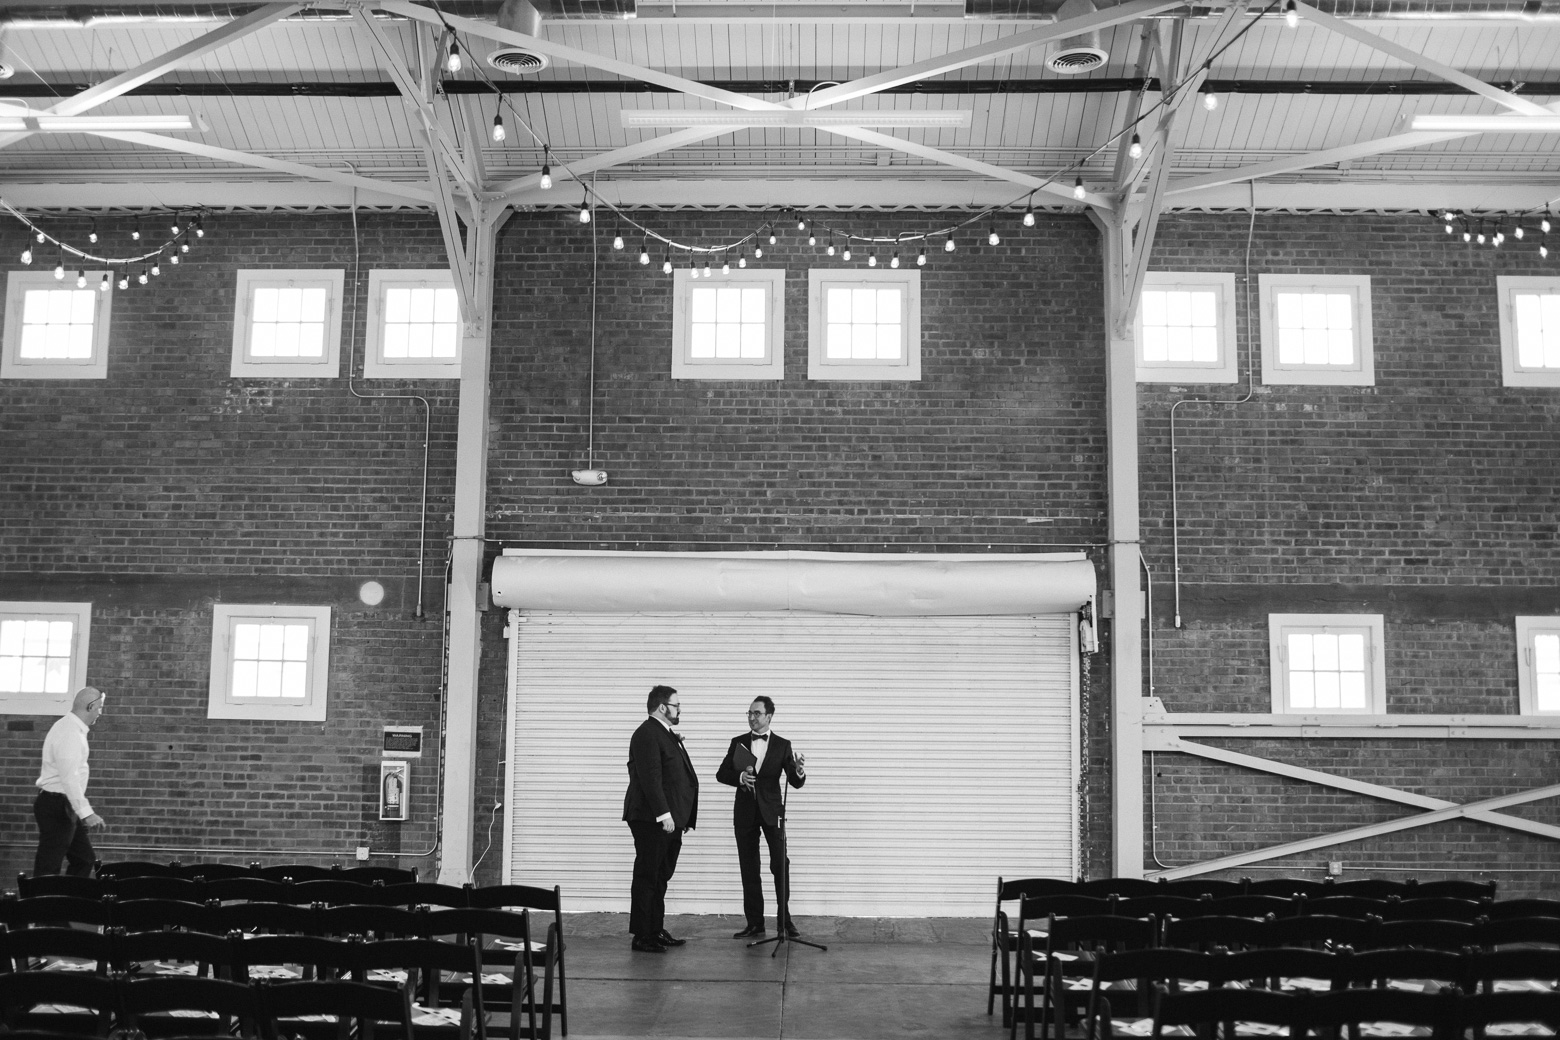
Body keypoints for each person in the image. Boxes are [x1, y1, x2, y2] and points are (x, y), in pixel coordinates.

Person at [715, 695, 806, 939]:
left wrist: (798, 771)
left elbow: (795, 781)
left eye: (757, 713)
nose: (752, 717)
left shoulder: (783, 745)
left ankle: (784, 921)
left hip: (772, 813)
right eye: (749, 713)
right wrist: (739, 778)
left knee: (780, 865)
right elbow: (721, 773)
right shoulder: (738, 742)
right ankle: (755, 923)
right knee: (749, 868)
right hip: (745, 813)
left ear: (769, 716)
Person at [622, 684, 699, 952]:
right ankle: (642, 935)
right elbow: (650, 778)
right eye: (677, 705)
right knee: (648, 875)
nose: (680, 710)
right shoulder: (646, 733)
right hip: (651, 818)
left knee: (660, 876)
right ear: (663, 707)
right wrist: (664, 815)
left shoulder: (663, 733)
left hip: (669, 819)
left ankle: (655, 929)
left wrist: (680, 817)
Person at [34, 686, 107, 877]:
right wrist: (87, 813)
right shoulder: (69, 732)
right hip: (57, 804)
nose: (100, 713)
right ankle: (41, 897)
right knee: (49, 865)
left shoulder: (72, 729)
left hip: (64, 805)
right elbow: (69, 778)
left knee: (84, 859)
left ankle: (68, 894)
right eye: (99, 708)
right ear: (90, 706)